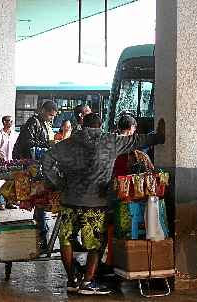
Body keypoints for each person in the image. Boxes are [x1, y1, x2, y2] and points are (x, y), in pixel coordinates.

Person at [41, 113, 165, 295]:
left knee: (66, 240)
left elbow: (46, 161)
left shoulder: (67, 143)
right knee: (96, 244)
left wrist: (57, 183)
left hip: (69, 200)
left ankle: (72, 280)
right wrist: (159, 135)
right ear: (100, 125)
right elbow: (138, 140)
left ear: (83, 124)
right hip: (96, 202)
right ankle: (87, 282)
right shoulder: (110, 141)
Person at [12, 101, 58, 249]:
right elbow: (27, 143)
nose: (51, 118)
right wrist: (47, 144)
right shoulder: (34, 122)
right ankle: (41, 237)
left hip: (39, 167)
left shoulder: (44, 123)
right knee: (40, 203)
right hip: (33, 169)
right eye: (50, 115)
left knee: (41, 204)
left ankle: (40, 236)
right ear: (43, 110)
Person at [0, 115, 18, 210]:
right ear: (3, 122)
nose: (10, 123)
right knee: (0, 182)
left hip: (13, 162)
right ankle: (0, 202)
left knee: (11, 183)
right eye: (8, 121)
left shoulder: (15, 134)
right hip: (2, 162)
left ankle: (9, 202)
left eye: (11, 121)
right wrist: (1, 158)